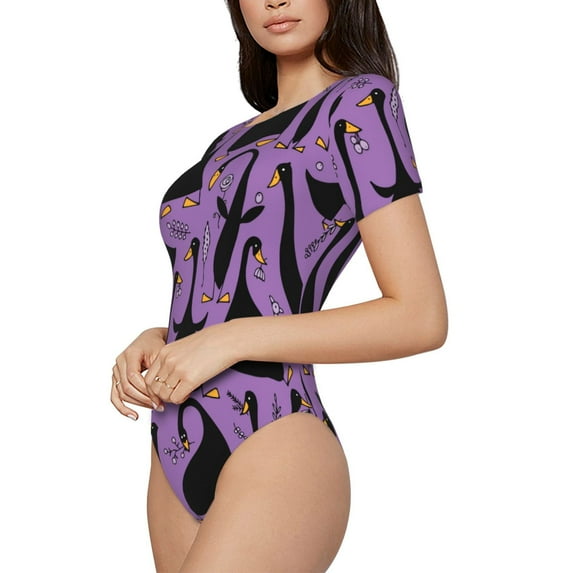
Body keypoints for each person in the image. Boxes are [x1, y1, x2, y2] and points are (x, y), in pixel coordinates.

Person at [110, 0, 447, 571]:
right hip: (172, 438)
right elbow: (232, 289)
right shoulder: (226, 143)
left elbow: (420, 316)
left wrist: (229, 340)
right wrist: (161, 338)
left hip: (274, 433)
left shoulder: (359, 104)